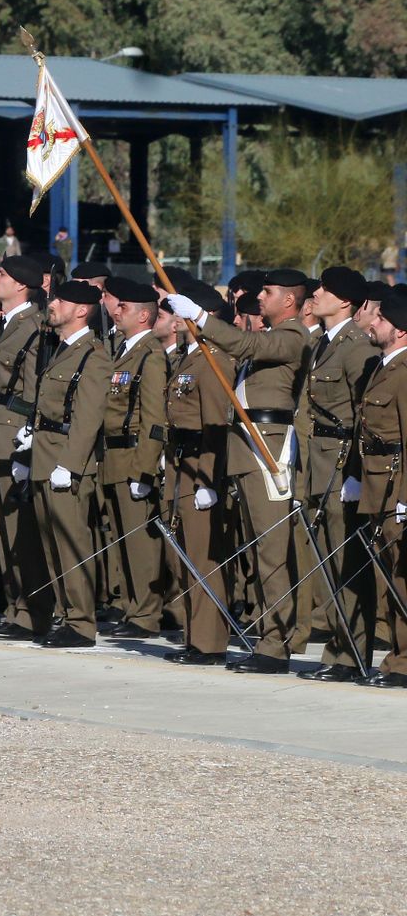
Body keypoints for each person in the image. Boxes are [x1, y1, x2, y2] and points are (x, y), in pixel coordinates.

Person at [164, 270, 310, 674]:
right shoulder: (269, 336)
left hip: (269, 451)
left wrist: (202, 317)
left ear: (290, 300)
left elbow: (246, 343)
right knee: (260, 548)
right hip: (246, 446)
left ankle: (275, 645)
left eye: (269, 292)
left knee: (271, 553)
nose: (260, 297)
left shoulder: (293, 335)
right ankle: (266, 636)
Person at [297, 267, 377, 681]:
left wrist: (357, 474)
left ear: (344, 301)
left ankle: (350, 655)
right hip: (319, 460)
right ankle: (338, 649)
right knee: (327, 561)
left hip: (343, 462)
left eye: (325, 289)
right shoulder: (320, 343)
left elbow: (367, 415)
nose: (317, 293)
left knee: (347, 561)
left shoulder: (356, 347)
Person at [28, 281, 113, 648]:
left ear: (82, 310)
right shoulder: (62, 349)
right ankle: (65, 614)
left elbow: (88, 417)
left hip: (65, 459)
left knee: (71, 543)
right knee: (50, 544)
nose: (52, 304)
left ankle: (80, 622)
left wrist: (71, 464)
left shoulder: (93, 356)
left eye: (60, 300)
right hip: (44, 454)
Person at [159, 284, 235, 665]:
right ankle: (194, 635)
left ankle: (209, 642)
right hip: (179, 464)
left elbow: (216, 424)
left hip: (199, 466)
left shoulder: (213, 358)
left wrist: (209, 480)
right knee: (183, 555)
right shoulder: (188, 358)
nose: (173, 320)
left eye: (178, 313)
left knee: (203, 556)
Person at [0, 256, 53, 641]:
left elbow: (33, 389)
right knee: (2, 533)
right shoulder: (6, 325)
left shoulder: (32, 327)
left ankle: (31, 614)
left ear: (22, 286)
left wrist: (28, 443)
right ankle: (13, 607)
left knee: (20, 535)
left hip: (13, 437)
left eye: (3, 275)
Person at [96, 277, 167, 639]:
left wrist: (145, 469)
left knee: (140, 543)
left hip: (133, 457)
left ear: (142, 315)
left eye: (122, 307)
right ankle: (130, 606)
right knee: (122, 539)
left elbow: (154, 419)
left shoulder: (150, 354)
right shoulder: (121, 351)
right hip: (113, 456)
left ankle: (146, 615)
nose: (115, 312)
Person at [350, 288, 407, 688]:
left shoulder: (404, 372)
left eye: (383, 320)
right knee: (388, 575)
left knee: (402, 578)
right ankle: (396, 658)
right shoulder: (382, 366)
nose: (375, 324)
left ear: (401, 330)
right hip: (376, 482)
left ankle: (404, 662)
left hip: (395, 484)